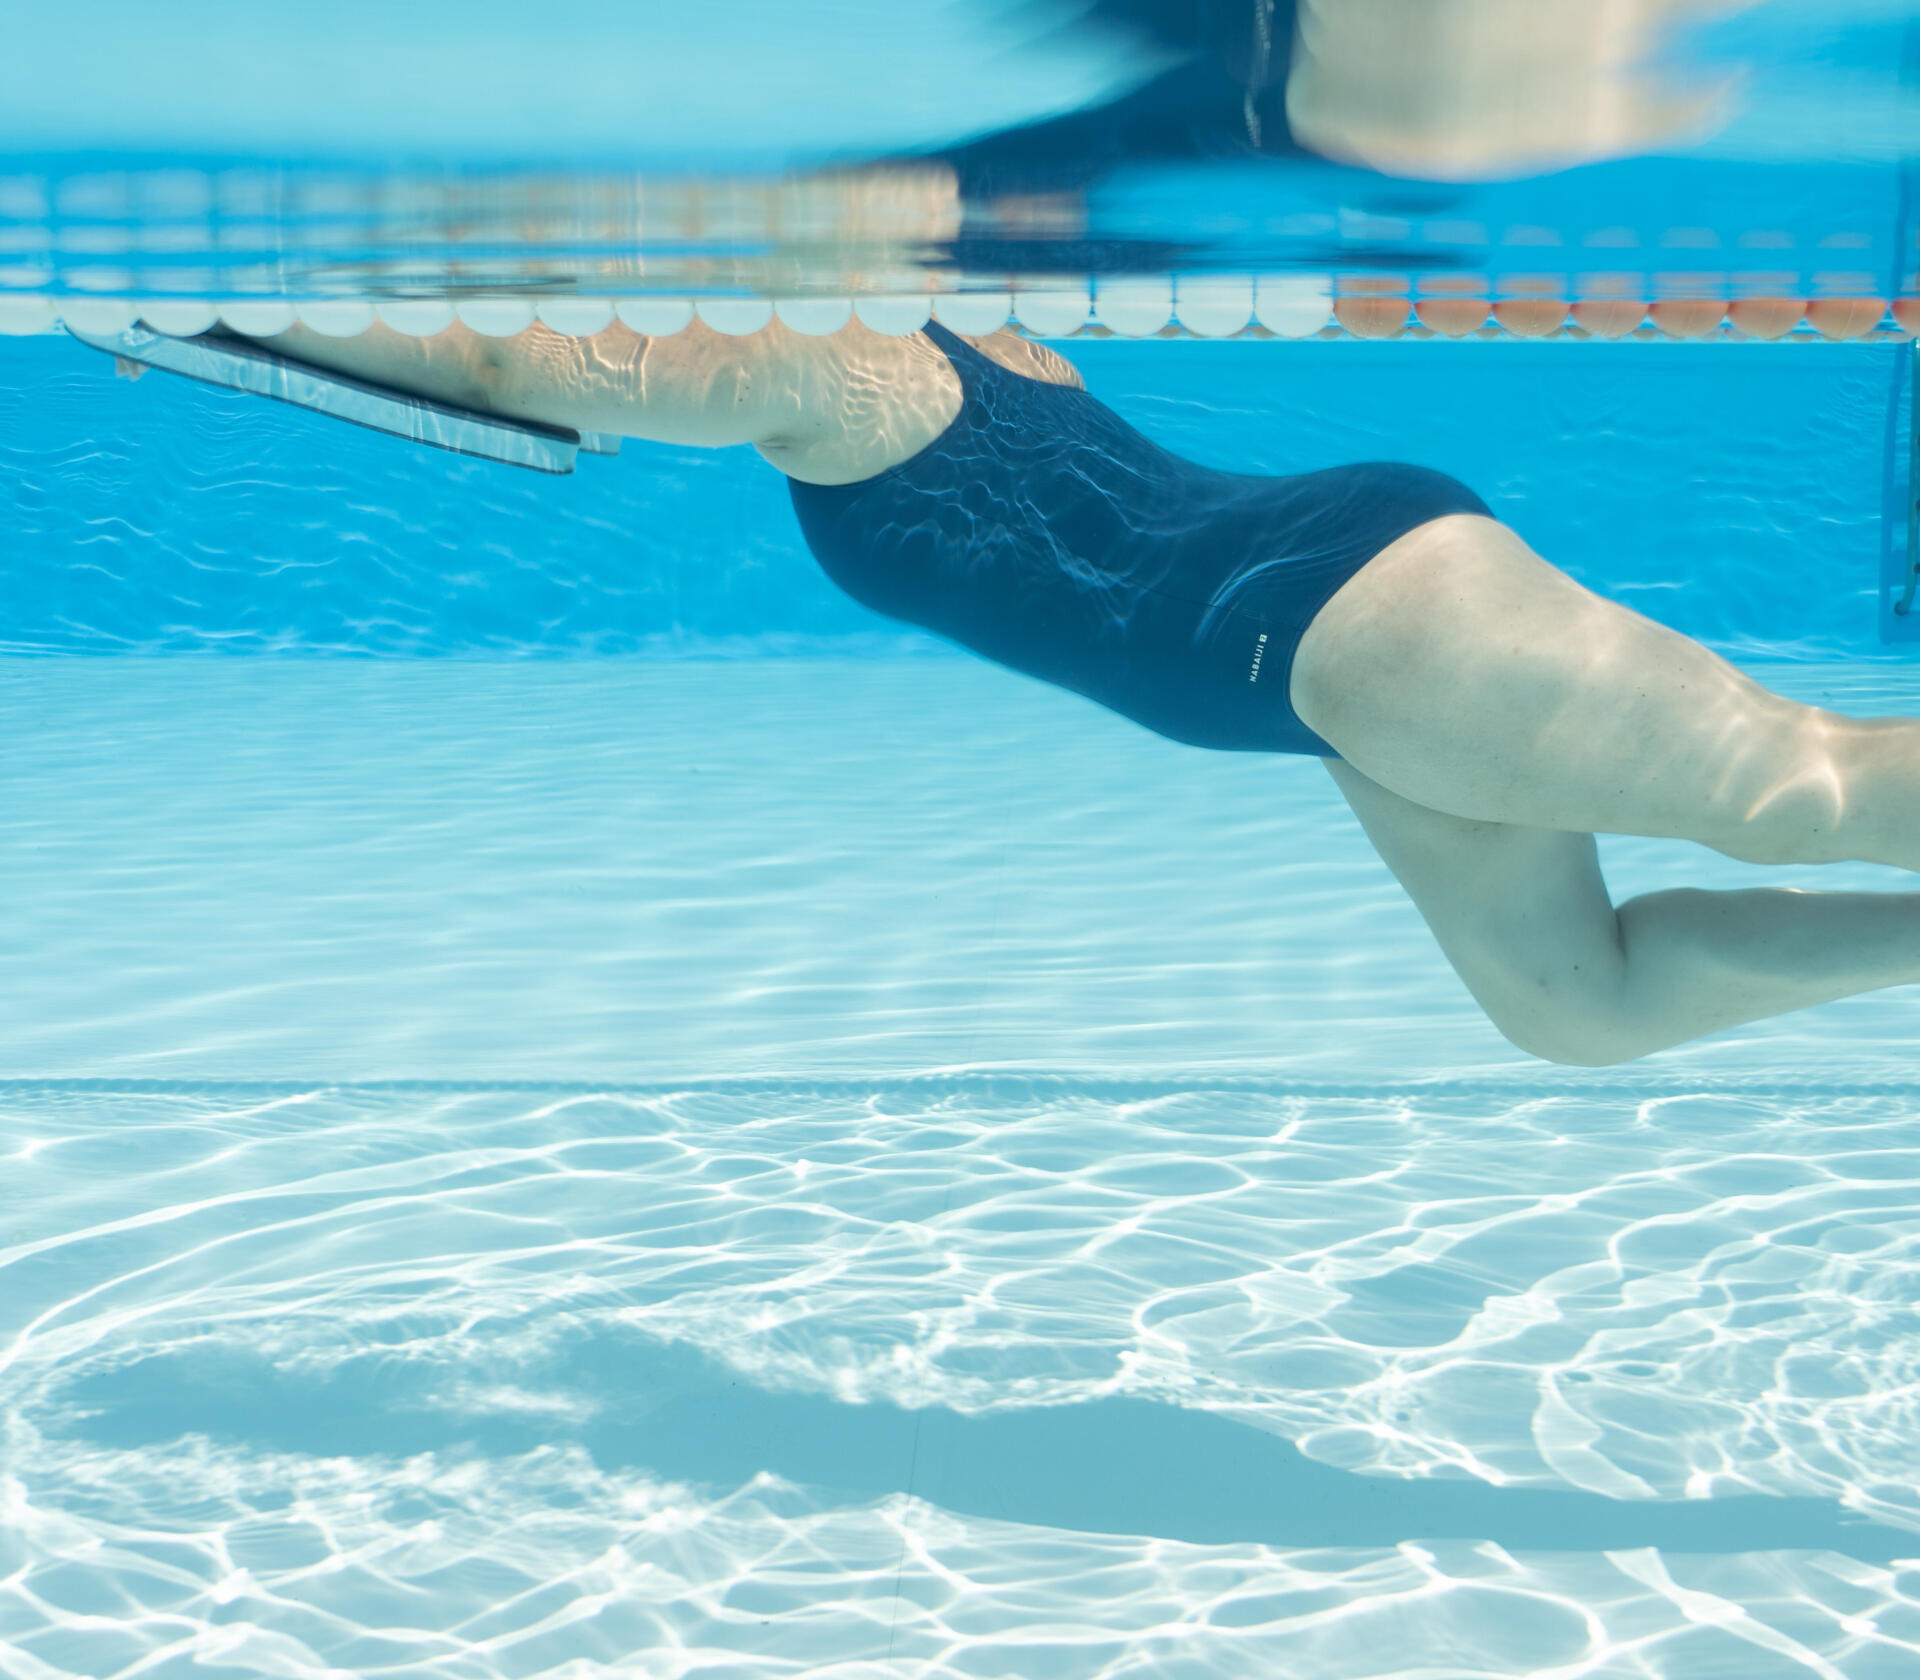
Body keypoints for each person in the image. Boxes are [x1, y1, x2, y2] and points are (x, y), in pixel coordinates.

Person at [101, 309, 1920, 1066]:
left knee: (1795, 786)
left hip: (1362, 619)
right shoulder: (933, 324)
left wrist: (227, 308)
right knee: (1572, 1009)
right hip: (1327, 667)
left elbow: (515, 360)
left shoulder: (829, 364)